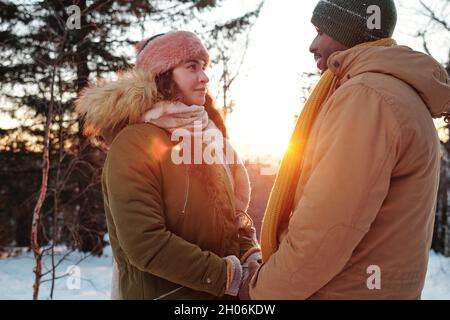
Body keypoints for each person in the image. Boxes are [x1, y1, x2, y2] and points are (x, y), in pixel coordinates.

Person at [240, 0, 450, 299]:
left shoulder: (367, 97)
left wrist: (261, 292)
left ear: (351, 32)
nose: (313, 46)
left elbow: (325, 231)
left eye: (321, 32)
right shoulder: (396, 93)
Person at [76, 31, 261, 300]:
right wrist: (228, 277)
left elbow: (229, 215)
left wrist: (249, 254)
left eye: (204, 67)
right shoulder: (134, 143)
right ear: (163, 75)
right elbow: (145, 243)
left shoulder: (207, 137)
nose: (204, 78)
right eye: (191, 67)